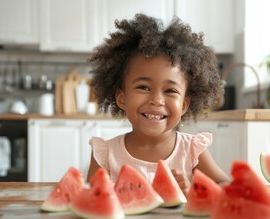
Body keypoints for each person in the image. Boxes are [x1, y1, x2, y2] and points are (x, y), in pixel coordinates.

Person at [87, 13, 229, 194]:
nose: (157, 100)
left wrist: (196, 190)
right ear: (121, 98)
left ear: (184, 105)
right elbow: (93, 197)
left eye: (170, 90)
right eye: (144, 87)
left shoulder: (192, 150)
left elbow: (224, 185)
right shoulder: (105, 153)